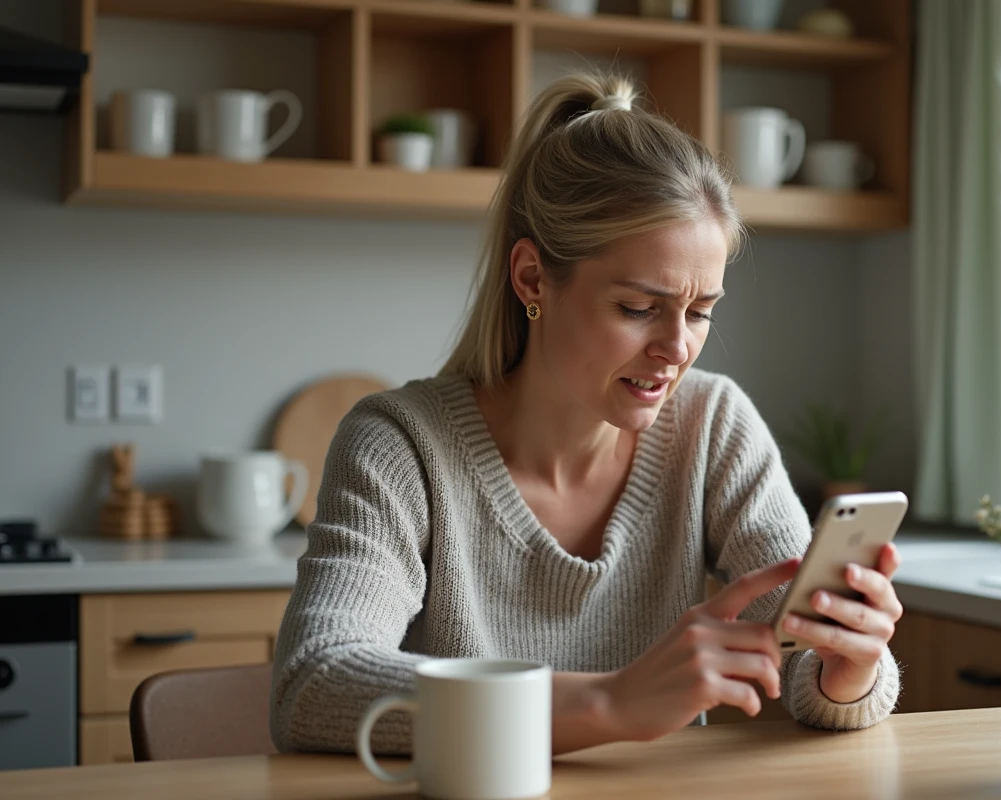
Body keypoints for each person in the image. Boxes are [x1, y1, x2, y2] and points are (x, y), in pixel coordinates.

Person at [270, 71, 903, 756]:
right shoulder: (400, 445)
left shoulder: (712, 425)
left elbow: (809, 669)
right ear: (532, 279)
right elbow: (315, 682)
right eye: (638, 308)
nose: (676, 348)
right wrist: (606, 702)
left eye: (700, 313)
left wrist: (848, 668)